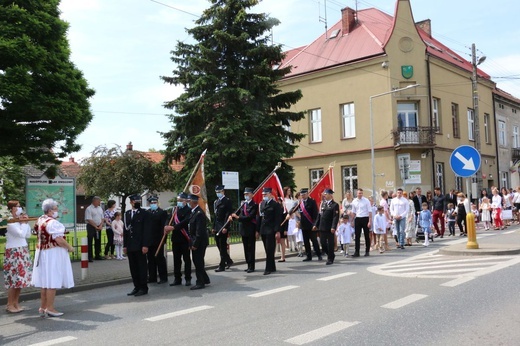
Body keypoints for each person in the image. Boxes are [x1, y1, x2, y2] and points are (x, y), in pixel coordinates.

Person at [32, 198, 74, 317]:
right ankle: (50, 308)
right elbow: (59, 239)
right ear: (50, 210)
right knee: (52, 280)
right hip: (52, 253)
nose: (57, 211)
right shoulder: (53, 223)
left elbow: (35, 231)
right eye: (56, 209)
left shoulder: (40, 220)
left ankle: (43, 307)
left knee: (45, 281)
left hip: (42, 252)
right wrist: (69, 247)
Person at [3, 200, 32, 313]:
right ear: (12, 208)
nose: (20, 208)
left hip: (22, 249)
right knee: (13, 280)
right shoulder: (10, 222)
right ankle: (10, 304)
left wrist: (25, 223)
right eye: (18, 206)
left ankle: (16, 303)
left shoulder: (19, 221)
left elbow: (27, 234)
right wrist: (23, 224)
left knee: (20, 279)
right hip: (13, 251)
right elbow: (20, 234)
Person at [124, 194, 151, 297]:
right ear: (131, 202)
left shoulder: (144, 213)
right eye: (135, 201)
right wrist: (125, 245)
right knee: (133, 267)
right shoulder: (127, 214)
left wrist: (145, 245)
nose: (137, 202)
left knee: (141, 267)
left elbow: (147, 230)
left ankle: (143, 287)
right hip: (131, 245)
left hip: (140, 245)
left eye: (138, 201)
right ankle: (136, 286)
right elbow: (125, 231)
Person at [164, 192, 192, 286]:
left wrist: (174, 227)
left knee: (186, 259)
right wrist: (166, 226)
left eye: (180, 200)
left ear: (185, 201)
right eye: (178, 200)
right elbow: (168, 219)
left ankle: (188, 278)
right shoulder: (174, 210)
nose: (179, 202)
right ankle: (177, 278)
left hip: (184, 238)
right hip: (175, 239)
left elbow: (185, 221)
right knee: (176, 260)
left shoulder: (189, 210)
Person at [229, 187, 258, 273]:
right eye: (245, 194)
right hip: (243, 229)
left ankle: (252, 266)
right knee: (245, 247)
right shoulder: (243, 204)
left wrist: (238, 217)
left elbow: (250, 217)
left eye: (248, 194)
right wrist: (232, 216)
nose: (246, 195)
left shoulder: (254, 205)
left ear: (252, 195)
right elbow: (237, 213)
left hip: (250, 229)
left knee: (251, 248)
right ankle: (248, 264)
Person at [187, 194, 210, 290]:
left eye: (189, 201)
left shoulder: (199, 213)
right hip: (195, 240)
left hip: (200, 242)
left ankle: (200, 282)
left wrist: (195, 244)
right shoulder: (193, 212)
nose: (188, 203)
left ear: (193, 202)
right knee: (197, 261)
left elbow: (199, 231)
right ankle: (205, 279)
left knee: (198, 262)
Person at [259, 187, 282, 275]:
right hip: (263, 229)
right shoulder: (262, 204)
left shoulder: (275, 205)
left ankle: (268, 268)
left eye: (265, 194)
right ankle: (272, 267)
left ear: (270, 194)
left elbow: (278, 219)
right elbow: (260, 217)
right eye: (263, 194)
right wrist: (258, 230)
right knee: (267, 249)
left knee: (269, 249)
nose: (264, 196)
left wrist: (277, 231)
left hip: (271, 229)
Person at [314, 188, 340, 265]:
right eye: (324, 194)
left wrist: (333, 227)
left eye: (326, 194)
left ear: (330, 195)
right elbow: (319, 215)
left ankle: (330, 259)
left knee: (330, 243)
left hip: (329, 227)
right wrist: (316, 224)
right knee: (323, 243)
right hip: (322, 227)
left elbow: (335, 217)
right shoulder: (323, 204)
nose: (324, 195)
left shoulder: (335, 205)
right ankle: (331, 254)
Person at [146, 195, 168, 284]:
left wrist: (164, 239)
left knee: (160, 259)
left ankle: (163, 277)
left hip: (159, 240)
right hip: (149, 240)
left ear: (157, 203)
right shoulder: (147, 213)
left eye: (154, 202)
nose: (153, 204)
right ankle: (152, 277)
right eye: (151, 203)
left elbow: (164, 227)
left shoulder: (162, 212)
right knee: (150, 259)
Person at [212, 185, 233, 272]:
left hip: (223, 226)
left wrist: (226, 227)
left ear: (223, 192)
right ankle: (228, 260)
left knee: (222, 246)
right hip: (217, 226)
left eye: (219, 192)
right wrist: (213, 227)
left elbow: (228, 215)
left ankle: (222, 265)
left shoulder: (227, 201)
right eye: (217, 192)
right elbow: (215, 216)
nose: (218, 194)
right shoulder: (216, 202)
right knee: (219, 245)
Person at [298, 188, 321, 261]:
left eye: (304, 195)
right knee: (306, 241)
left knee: (314, 241)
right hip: (304, 225)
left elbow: (315, 214)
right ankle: (308, 256)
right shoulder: (300, 203)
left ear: (307, 194)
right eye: (302, 195)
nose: (303, 196)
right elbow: (294, 209)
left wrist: (315, 224)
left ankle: (319, 254)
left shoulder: (312, 202)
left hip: (311, 225)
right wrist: (289, 213)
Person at [351, 188, 372, 257]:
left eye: (361, 193)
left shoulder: (366, 201)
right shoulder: (354, 201)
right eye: (359, 193)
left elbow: (370, 211)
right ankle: (357, 252)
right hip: (358, 218)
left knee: (366, 235)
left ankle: (367, 251)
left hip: (365, 218)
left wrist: (369, 221)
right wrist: (352, 221)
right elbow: (354, 212)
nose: (360, 194)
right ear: (356, 194)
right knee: (357, 236)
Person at [85, 196, 105, 262]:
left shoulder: (100, 208)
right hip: (91, 227)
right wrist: (95, 226)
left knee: (98, 241)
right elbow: (89, 219)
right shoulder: (89, 209)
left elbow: (102, 217)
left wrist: (101, 225)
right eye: (98, 201)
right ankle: (90, 256)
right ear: (94, 201)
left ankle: (97, 255)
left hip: (99, 226)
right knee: (90, 241)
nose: (99, 203)